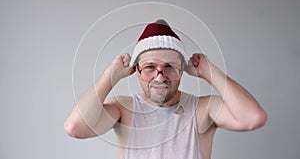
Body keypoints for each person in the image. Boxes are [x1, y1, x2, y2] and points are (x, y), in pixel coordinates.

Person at [64, 19, 267, 159]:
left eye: (169, 67)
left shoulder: (202, 109)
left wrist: (209, 72)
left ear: (181, 71)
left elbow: (253, 118)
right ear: (137, 71)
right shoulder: (123, 109)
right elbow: (75, 127)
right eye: (150, 67)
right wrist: (112, 74)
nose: (160, 76)